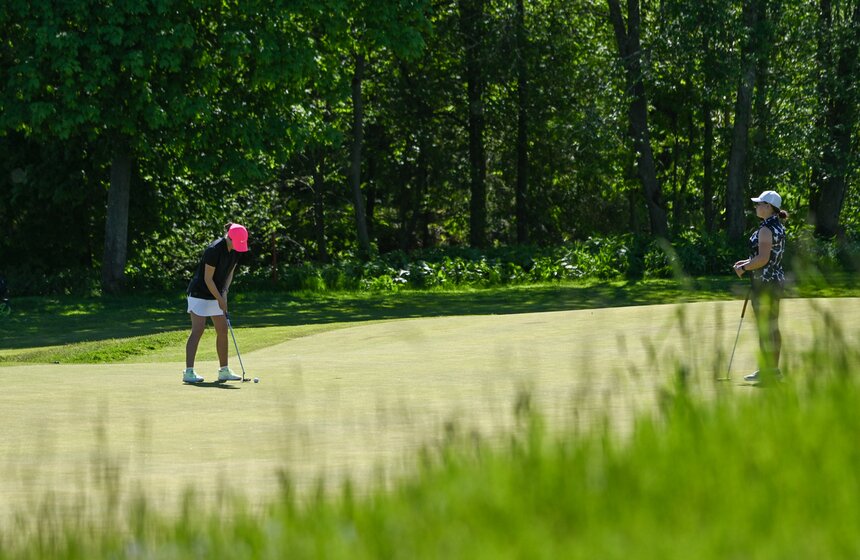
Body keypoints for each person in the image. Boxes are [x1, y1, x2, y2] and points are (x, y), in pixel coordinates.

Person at [183, 223, 249, 383]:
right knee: (198, 330)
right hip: (199, 292)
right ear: (230, 238)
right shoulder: (214, 250)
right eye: (237, 243)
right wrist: (219, 299)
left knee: (222, 330)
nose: (239, 247)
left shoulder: (235, 250)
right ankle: (189, 372)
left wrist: (225, 292)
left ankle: (224, 370)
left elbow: (230, 273)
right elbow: (207, 279)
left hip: (217, 291)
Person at [733, 190, 788, 384]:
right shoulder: (777, 226)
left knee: (766, 327)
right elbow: (766, 256)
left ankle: (768, 371)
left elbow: (763, 259)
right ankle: (771, 369)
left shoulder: (766, 229)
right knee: (771, 326)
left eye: (759, 204)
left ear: (768, 207)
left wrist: (744, 268)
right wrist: (746, 262)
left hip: (765, 284)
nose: (756, 206)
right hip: (774, 281)